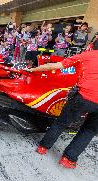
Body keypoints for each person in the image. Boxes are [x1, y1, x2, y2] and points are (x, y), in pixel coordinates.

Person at [26, 39, 98, 169]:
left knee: (61, 122)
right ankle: (68, 159)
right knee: (89, 131)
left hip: (83, 98)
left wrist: (33, 70)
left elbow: (53, 66)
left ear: (92, 45)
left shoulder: (85, 56)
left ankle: (43, 147)